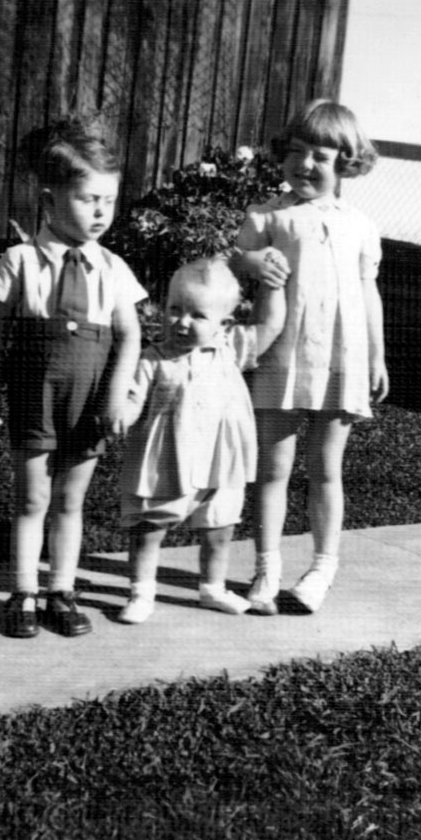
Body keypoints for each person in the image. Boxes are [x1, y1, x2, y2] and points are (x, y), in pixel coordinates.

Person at [0, 115, 146, 638]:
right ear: (50, 200)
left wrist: (115, 398)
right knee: (32, 498)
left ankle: (62, 591)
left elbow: (131, 336)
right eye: (88, 199)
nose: (100, 212)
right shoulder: (21, 260)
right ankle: (24, 591)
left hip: (90, 401)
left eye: (108, 201)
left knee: (71, 500)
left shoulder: (114, 269)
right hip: (36, 397)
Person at [234, 99, 389, 615]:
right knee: (273, 469)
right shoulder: (267, 216)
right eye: (296, 152)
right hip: (283, 354)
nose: (305, 164)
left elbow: (368, 293)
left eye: (320, 157)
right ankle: (266, 567)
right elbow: (230, 264)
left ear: (346, 163)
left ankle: (322, 568)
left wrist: (377, 356)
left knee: (326, 469)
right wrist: (249, 261)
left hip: (343, 356)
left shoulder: (360, 225)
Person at [118, 255, 287, 624]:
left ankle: (212, 587)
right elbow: (132, 398)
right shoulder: (153, 358)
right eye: (174, 310)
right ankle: (141, 592)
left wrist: (273, 284)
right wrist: (120, 419)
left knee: (220, 527)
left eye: (197, 315)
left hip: (221, 460)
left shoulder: (232, 348)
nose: (182, 322)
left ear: (224, 324)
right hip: (166, 459)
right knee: (150, 528)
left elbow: (272, 324)